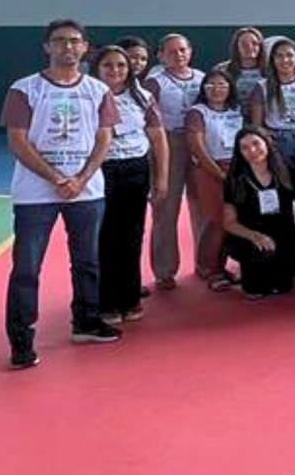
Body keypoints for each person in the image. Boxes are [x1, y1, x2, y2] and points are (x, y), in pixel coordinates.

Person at [1, 20, 123, 367]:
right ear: (47, 47)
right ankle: (21, 340)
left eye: (74, 41)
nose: (67, 47)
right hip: (35, 194)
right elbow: (17, 141)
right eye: (59, 41)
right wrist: (56, 178)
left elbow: (104, 138)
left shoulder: (98, 90)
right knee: (27, 267)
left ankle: (86, 322)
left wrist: (81, 178)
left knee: (87, 261)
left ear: (85, 47)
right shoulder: (24, 89)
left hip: (86, 192)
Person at [92, 46, 167, 326]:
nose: (115, 71)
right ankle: (106, 301)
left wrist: (161, 179)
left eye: (121, 65)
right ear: (97, 68)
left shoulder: (143, 96)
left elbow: (158, 138)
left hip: (135, 170)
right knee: (105, 237)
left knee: (132, 235)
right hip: (102, 170)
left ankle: (130, 297)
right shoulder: (88, 96)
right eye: (108, 65)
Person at [141, 32, 204, 291]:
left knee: (204, 207)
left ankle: (207, 264)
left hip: (200, 142)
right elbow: (147, 120)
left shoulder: (202, 78)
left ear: (190, 52)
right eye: (171, 51)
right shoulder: (155, 83)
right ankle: (164, 270)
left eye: (182, 50)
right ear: (160, 56)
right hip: (169, 143)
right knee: (166, 208)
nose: (178, 55)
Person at [220, 126, 295, 298]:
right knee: (255, 289)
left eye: (256, 144)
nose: (252, 150)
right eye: (244, 147)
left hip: (283, 231)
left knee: (282, 287)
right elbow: (229, 222)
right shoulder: (235, 179)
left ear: (267, 143)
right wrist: (255, 236)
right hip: (251, 234)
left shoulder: (288, 168)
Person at [184, 69, 243, 291]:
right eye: (211, 85)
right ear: (203, 89)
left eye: (222, 85)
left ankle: (223, 266)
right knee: (216, 221)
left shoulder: (236, 111)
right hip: (209, 170)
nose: (217, 89)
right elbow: (197, 148)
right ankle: (210, 269)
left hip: (235, 169)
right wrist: (220, 174)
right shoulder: (197, 113)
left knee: (232, 220)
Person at [246, 37, 295, 183]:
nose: (285, 60)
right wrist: (268, 144)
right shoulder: (262, 87)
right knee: (284, 183)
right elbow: (257, 125)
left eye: (289, 55)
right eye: (279, 56)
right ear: (273, 59)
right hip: (279, 140)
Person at [217, 27, 267, 123]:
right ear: (236, 47)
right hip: (230, 120)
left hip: (264, 122)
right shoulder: (222, 69)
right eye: (244, 44)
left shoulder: (270, 70)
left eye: (254, 43)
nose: (249, 47)